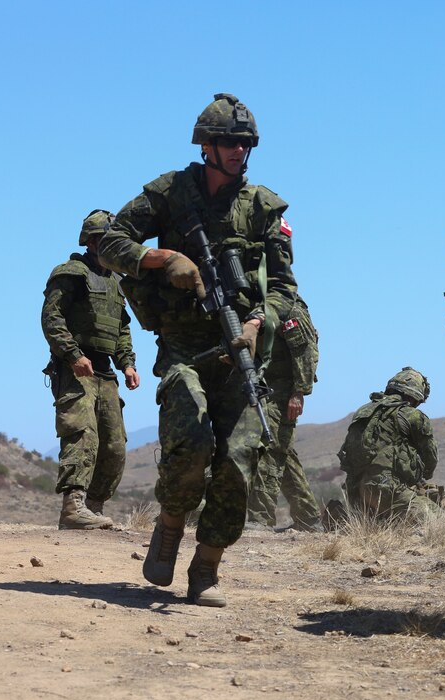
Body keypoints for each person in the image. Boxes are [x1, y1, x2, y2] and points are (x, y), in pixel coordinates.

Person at [98, 93, 298, 607]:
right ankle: (168, 527)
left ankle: (206, 567)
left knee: (239, 459)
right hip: (185, 345)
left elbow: (283, 287)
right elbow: (111, 242)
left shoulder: (265, 208)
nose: (238, 151)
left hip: (242, 350)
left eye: (245, 143)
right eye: (229, 142)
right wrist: (162, 259)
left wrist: (259, 321)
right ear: (207, 146)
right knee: (190, 442)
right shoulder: (170, 192)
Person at [42, 209, 140, 530]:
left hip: (106, 373)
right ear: (92, 242)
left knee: (114, 446)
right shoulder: (71, 273)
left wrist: (127, 364)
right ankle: (73, 507)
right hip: (76, 368)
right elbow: (52, 318)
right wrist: (72, 355)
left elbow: (122, 330)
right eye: (106, 240)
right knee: (82, 434)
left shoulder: (116, 284)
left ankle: (94, 509)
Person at [245, 295, 322, 532]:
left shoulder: (288, 307)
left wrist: (298, 392)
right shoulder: (251, 305)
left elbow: (305, 353)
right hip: (262, 386)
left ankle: (261, 518)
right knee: (282, 449)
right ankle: (309, 518)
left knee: (271, 448)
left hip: (283, 388)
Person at [338, 368, 439, 521]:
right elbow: (430, 456)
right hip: (387, 491)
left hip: (355, 494)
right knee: (440, 518)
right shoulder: (413, 415)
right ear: (414, 396)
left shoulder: (364, 411)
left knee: (381, 524)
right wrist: (425, 474)